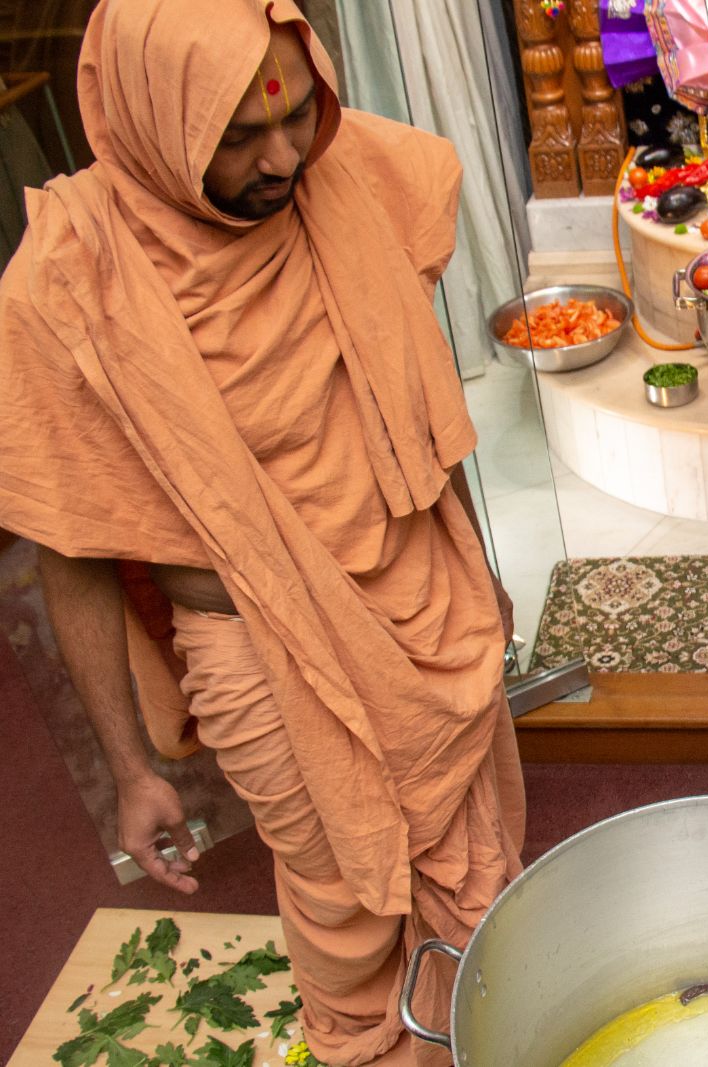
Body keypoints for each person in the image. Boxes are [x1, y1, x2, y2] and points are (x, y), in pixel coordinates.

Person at [0, 1, 525, 1063]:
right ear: (155, 124)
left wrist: (479, 566)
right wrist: (132, 767)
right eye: (237, 136)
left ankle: (489, 1033)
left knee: (476, 864)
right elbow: (73, 548)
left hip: (419, 588)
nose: (283, 156)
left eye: (295, 116)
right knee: (343, 900)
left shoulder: (354, 177)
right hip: (254, 647)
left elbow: (413, 396)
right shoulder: (69, 282)